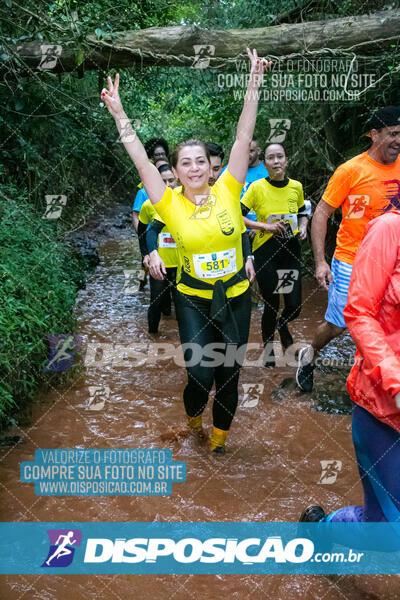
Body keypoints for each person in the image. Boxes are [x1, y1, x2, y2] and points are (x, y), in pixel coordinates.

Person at [102, 48, 269, 453]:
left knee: (229, 376)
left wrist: (253, 83)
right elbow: (140, 159)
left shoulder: (229, 189)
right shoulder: (168, 203)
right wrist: (121, 115)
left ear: (210, 168)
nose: (195, 168)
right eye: (186, 163)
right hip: (193, 299)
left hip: (235, 297)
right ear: (175, 171)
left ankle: (218, 444)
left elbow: (243, 136)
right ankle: (194, 420)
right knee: (199, 375)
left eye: (200, 162)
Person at [300, 210, 400, 523]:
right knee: (388, 529)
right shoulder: (388, 230)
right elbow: (359, 313)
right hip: (383, 407)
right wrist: (395, 381)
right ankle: (319, 530)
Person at [296, 106, 400, 392]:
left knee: (389, 322)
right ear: (374, 134)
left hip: (393, 263)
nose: (398, 140)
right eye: (392, 134)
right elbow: (321, 213)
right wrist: (320, 262)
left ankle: (380, 382)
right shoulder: (351, 171)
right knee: (339, 326)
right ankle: (309, 356)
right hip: (351, 261)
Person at [241, 143, 308, 365]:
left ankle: (283, 325)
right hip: (265, 251)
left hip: (289, 251)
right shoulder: (256, 187)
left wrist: (304, 226)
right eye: (271, 157)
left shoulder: (296, 187)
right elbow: (237, 216)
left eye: (280, 156)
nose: (276, 161)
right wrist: (263, 226)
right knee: (271, 303)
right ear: (265, 163)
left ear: (286, 160)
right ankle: (269, 350)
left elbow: (302, 213)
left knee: (294, 305)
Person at [137, 164, 179, 333]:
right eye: (163, 182)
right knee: (156, 301)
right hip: (159, 263)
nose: (168, 185)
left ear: (177, 179)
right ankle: (152, 339)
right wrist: (145, 254)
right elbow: (141, 231)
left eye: (171, 180)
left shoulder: (185, 201)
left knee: (184, 305)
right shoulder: (148, 205)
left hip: (184, 264)